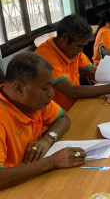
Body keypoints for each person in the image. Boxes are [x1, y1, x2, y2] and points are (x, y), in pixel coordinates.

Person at [0, 53, 86, 190]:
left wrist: (47, 139)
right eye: (45, 88)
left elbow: (63, 119)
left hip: (30, 181)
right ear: (19, 88)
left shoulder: (31, 102)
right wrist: (52, 162)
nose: (51, 93)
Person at [35, 14, 110, 111]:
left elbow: (93, 72)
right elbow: (71, 91)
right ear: (64, 38)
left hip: (76, 105)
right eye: (79, 46)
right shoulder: (45, 57)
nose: (81, 51)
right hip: (59, 114)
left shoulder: (72, 50)